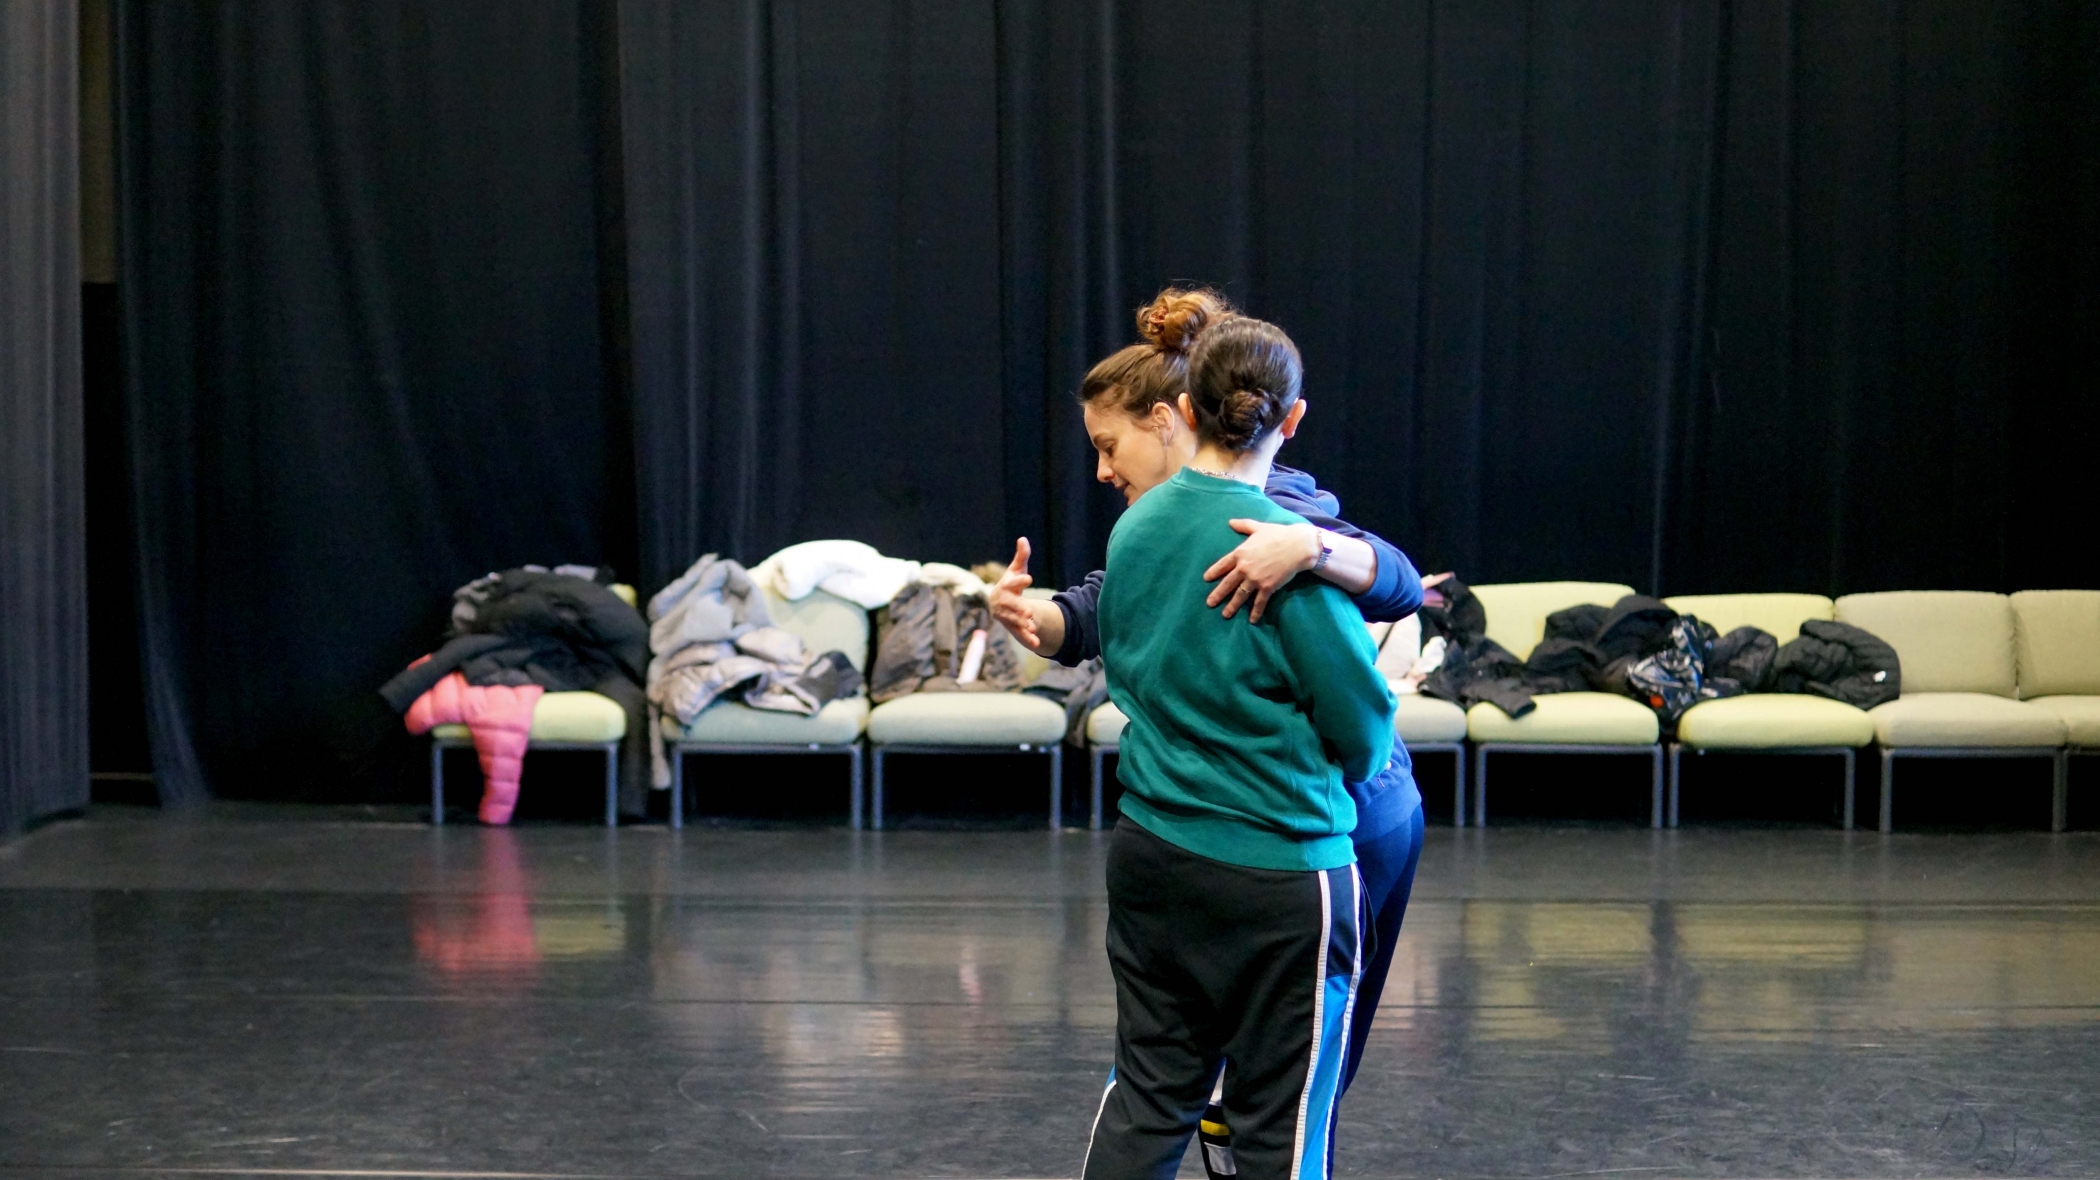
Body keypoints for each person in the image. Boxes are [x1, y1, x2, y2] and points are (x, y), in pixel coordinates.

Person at [990, 290, 1426, 1120]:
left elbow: (1398, 589)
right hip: (1240, 829)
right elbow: (1098, 605)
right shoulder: (1152, 523)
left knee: (1289, 1089)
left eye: (1109, 445)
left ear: (1172, 419)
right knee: (1211, 1086)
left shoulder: (1274, 506)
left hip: (1342, 817)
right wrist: (1036, 619)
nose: (1101, 470)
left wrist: (1313, 547)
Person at [1077, 313, 1394, 1178]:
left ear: (1184, 406)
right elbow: (1365, 730)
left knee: (1148, 1096)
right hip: (1280, 875)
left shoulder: (1134, 528)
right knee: (1277, 1127)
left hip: (1151, 855)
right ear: (1290, 421)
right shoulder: (1283, 554)